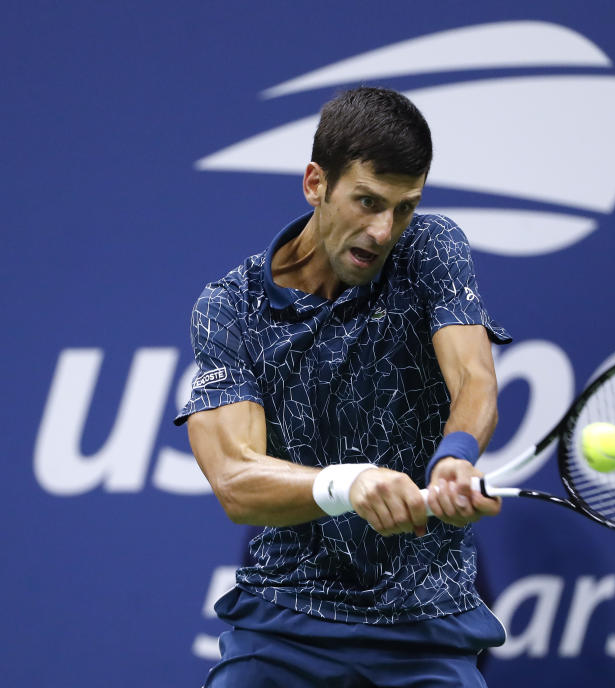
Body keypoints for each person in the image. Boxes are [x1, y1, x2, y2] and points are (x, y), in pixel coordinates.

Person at [176, 86, 511, 687]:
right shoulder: (231, 308)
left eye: (404, 207)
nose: (384, 231)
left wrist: (456, 456)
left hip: (424, 630)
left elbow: (473, 377)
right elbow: (236, 480)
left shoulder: (432, 249)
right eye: (367, 201)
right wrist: (350, 483)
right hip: (284, 623)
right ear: (315, 183)